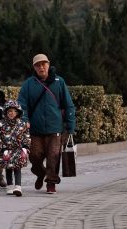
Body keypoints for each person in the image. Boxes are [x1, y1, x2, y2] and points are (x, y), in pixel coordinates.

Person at [17, 54, 76, 194]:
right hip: (35, 129)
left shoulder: (59, 81)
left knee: (54, 156)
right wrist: (24, 120)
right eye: (38, 65)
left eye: (44, 64)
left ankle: (51, 182)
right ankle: (40, 173)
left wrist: (70, 126)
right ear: (34, 67)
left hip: (55, 127)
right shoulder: (28, 84)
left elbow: (68, 105)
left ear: (49, 65)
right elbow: (21, 105)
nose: (41, 67)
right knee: (34, 157)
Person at [0, 100, 31, 196]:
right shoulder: (0, 124)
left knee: (17, 167)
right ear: (5, 112)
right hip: (6, 149)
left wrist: (26, 147)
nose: (12, 113)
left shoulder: (22, 124)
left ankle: (18, 186)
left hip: (18, 149)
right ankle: (9, 186)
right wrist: (2, 148)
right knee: (8, 168)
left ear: (18, 112)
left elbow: (26, 136)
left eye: (14, 111)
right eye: (9, 111)